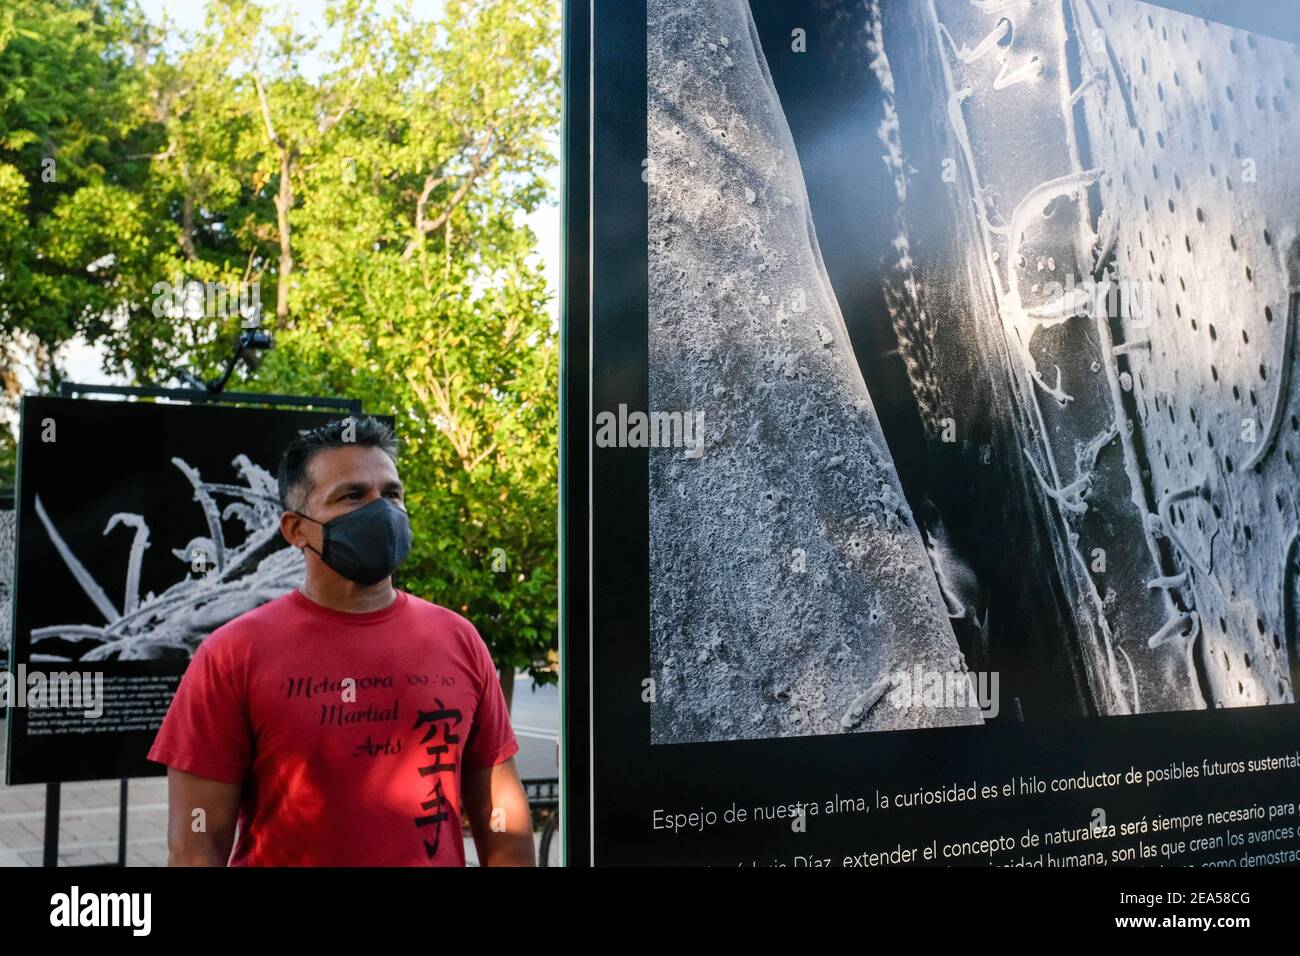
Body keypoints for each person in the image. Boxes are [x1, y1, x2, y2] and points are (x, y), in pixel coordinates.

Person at [147, 415, 534, 866]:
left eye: (391, 494)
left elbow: (500, 816)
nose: (382, 511)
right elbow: (197, 843)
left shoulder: (458, 639)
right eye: (353, 495)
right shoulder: (232, 655)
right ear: (296, 529)